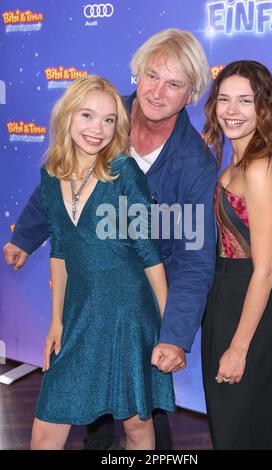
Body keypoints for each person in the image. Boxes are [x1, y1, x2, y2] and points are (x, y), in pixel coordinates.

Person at [3, 29, 217, 450]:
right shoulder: (103, 109)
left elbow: (193, 259)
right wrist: (25, 238)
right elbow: (59, 183)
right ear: (137, 73)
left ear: (191, 93)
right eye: (152, 76)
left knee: (140, 419)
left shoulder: (195, 162)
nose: (156, 92)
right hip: (86, 302)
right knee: (88, 426)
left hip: (138, 307)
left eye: (173, 84)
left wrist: (172, 334)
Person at [31, 74, 177, 450]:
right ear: (67, 117)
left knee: (135, 425)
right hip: (79, 314)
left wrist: (170, 332)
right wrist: (56, 320)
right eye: (88, 116)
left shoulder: (124, 173)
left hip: (127, 314)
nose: (98, 129)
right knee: (46, 429)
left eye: (109, 119)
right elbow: (60, 250)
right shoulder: (50, 175)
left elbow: (148, 253)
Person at [201, 60, 272, 450]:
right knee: (228, 431)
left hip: (251, 308)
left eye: (245, 101)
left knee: (244, 434)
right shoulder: (236, 159)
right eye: (224, 100)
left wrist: (239, 349)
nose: (231, 111)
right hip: (223, 301)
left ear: (264, 108)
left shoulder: (258, 167)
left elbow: (265, 272)